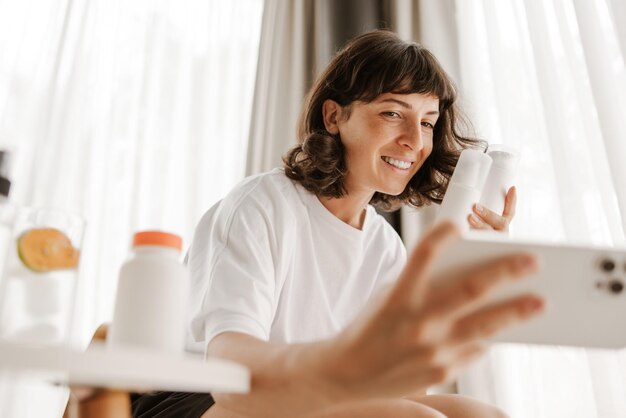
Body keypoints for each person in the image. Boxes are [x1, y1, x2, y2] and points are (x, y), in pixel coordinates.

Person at [131, 30, 542, 418]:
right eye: (392, 113)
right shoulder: (263, 204)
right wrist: (343, 371)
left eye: (428, 122)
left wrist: (465, 280)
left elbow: (393, 387)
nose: (415, 141)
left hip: (306, 395)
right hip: (199, 398)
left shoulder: (383, 246)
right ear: (334, 116)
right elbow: (232, 374)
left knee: (486, 415)